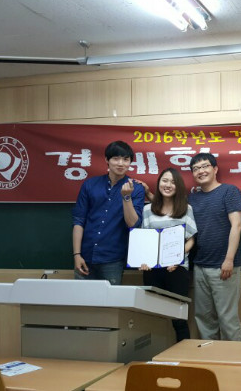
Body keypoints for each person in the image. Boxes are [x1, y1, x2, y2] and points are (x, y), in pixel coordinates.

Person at [130, 168, 197, 342]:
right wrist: (143, 261)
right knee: (152, 317)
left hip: (177, 268)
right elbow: (145, 240)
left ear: (178, 186)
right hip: (152, 269)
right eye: (165, 181)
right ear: (159, 183)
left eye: (173, 182)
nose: (168, 185)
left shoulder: (186, 209)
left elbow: (191, 240)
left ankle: (183, 355)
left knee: (179, 319)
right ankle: (154, 355)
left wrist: (177, 258)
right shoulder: (147, 210)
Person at [71, 140, 149, 285]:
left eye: (125, 159)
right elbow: (79, 221)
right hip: (85, 255)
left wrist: (126, 197)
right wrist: (77, 254)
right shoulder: (90, 184)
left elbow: (132, 224)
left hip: (113, 259)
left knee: (110, 299)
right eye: (116, 158)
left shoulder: (136, 189)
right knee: (82, 298)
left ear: (130, 162)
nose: (121, 163)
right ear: (107, 160)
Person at [188, 153, 241, 341]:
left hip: (223, 266)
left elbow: (237, 225)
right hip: (199, 266)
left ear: (215, 169)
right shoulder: (192, 198)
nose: (201, 171)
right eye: (196, 169)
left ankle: (235, 359)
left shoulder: (229, 191)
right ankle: (210, 357)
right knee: (204, 319)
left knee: (228, 320)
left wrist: (229, 259)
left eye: (205, 166)